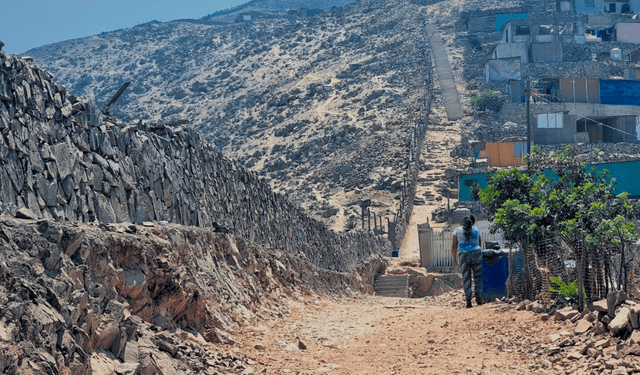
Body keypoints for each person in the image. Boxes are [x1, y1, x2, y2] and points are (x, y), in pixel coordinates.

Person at [451, 217, 483, 308]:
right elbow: (479, 242)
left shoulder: (457, 230)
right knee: (477, 277)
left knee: (466, 278)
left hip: (463, 255)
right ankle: (479, 299)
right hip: (476, 253)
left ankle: (468, 302)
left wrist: (454, 259)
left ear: (462, 224)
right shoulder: (476, 229)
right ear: (472, 223)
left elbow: (454, 245)